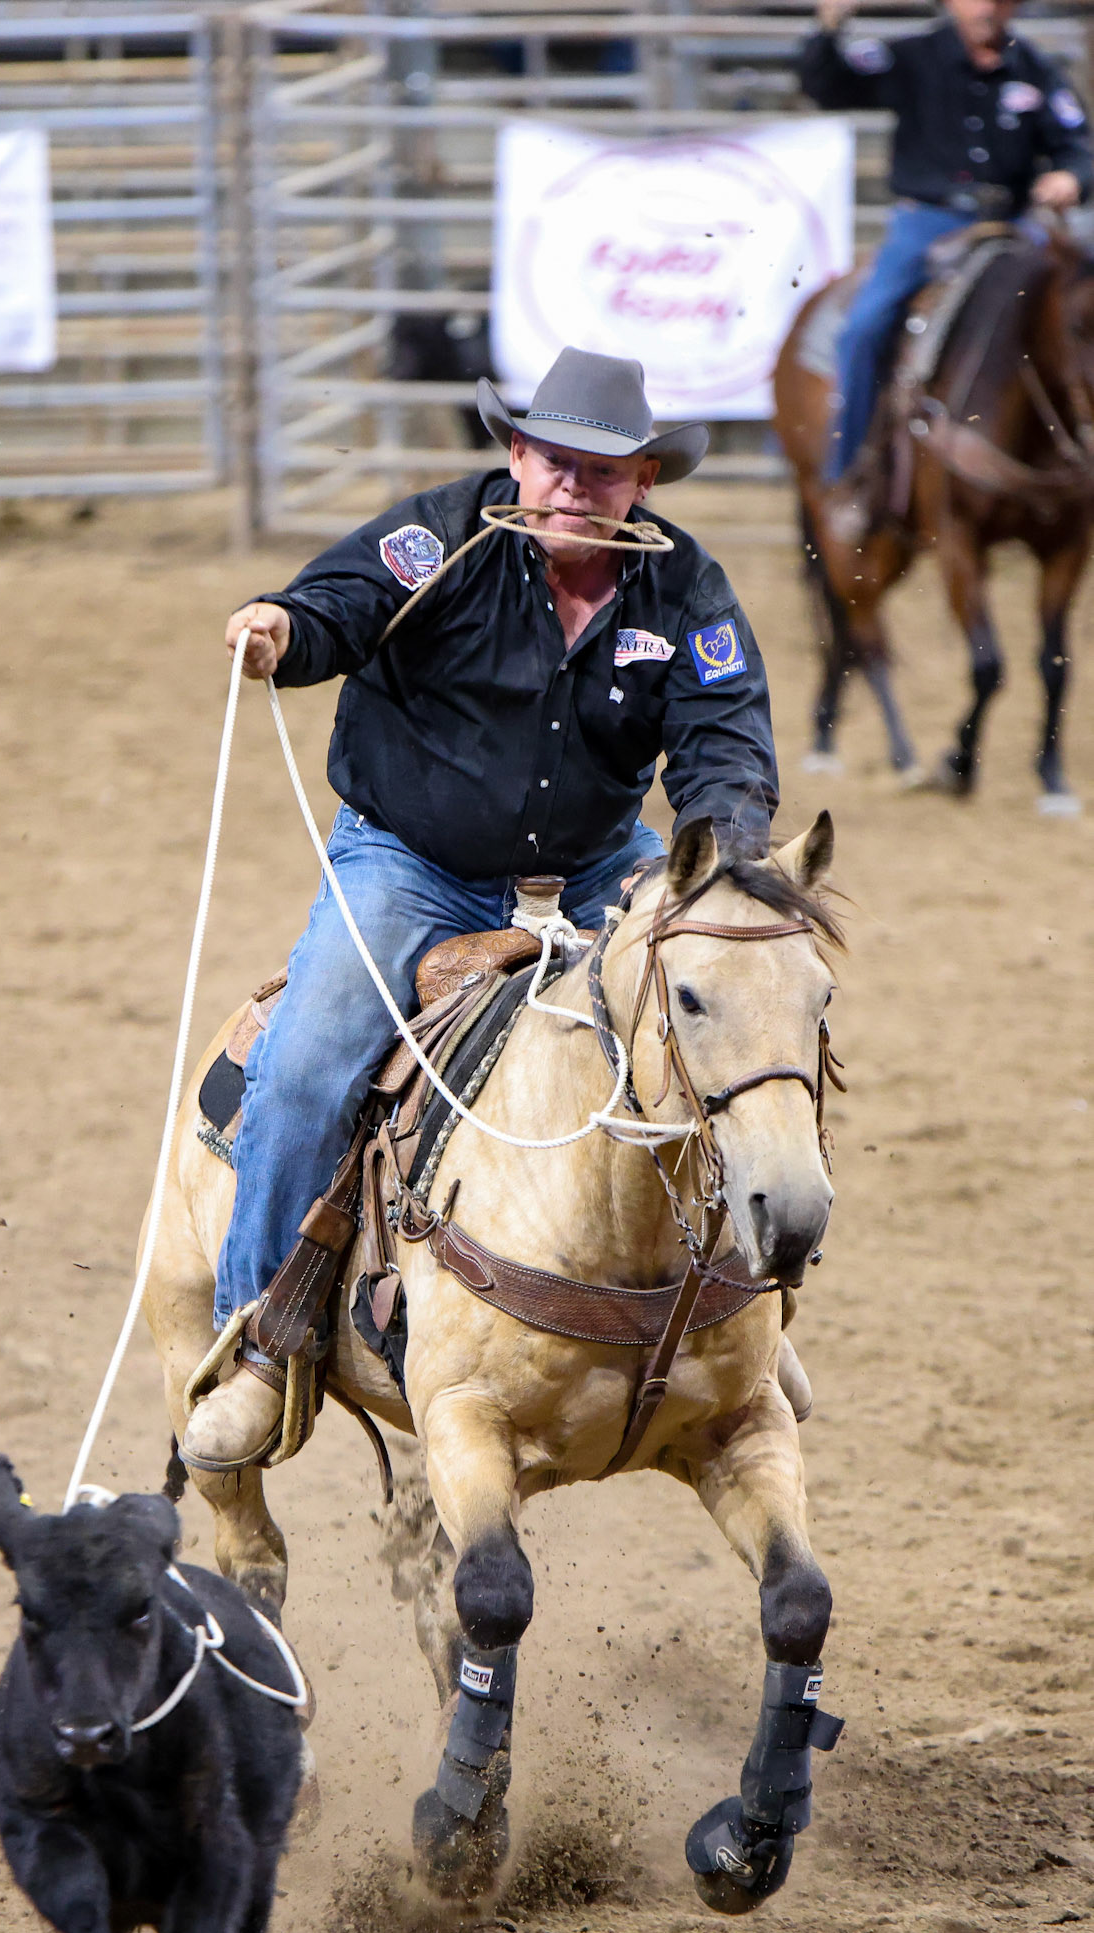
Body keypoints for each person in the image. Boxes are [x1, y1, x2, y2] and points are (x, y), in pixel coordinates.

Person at [184, 347, 780, 1473]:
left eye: (602, 471)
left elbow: (725, 739)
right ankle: (261, 1340)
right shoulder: (441, 539)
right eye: (554, 461)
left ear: (644, 479)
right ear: (515, 456)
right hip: (412, 861)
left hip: (598, 863)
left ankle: (743, 1314)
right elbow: (341, 604)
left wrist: (722, 857)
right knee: (307, 1064)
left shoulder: (685, 589)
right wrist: (282, 629)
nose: (573, 487)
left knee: (720, 1021)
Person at [799, 0, 1091, 525]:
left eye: (1000, 0)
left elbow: (1077, 144)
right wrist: (830, 27)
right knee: (865, 327)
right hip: (927, 224)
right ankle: (851, 473)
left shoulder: (1036, 68)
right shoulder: (911, 56)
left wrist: (1071, 176)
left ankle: (1070, 460)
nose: (988, 9)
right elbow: (831, 86)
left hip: (1014, 224)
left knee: (1071, 317)